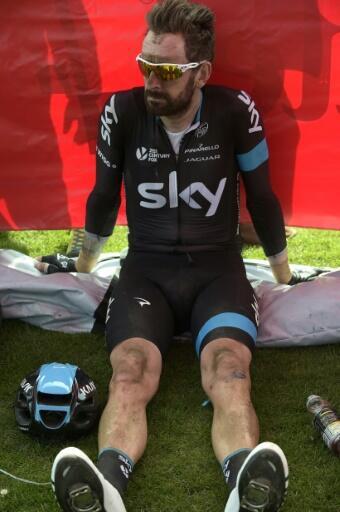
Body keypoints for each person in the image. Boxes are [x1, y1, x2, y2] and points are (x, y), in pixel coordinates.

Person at [36, 1, 309, 510]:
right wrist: (83, 271)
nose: (151, 81)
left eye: (165, 70)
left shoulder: (234, 110)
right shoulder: (123, 111)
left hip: (217, 270)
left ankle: (243, 492)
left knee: (229, 368)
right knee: (129, 370)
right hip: (146, 271)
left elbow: (264, 199)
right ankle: (109, 488)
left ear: (201, 73)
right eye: (145, 65)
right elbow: (101, 198)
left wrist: (284, 276)